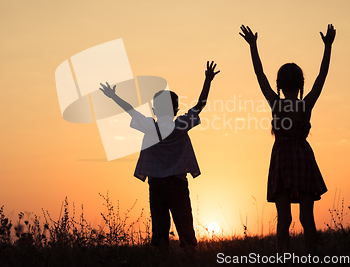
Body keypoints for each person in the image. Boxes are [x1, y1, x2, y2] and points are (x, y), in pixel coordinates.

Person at [99, 61, 219, 261]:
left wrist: (113, 96)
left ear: (154, 110)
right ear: (176, 109)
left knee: (160, 230)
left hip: (157, 186)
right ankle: (190, 258)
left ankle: (163, 261)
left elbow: (130, 110)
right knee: (185, 228)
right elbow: (200, 105)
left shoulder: (149, 127)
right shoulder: (181, 125)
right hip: (178, 184)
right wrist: (207, 80)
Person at [239, 24, 336, 252]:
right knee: (307, 218)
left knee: (284, 219)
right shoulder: (306, 104)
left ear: (279, 85)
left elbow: (259, 74)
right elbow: (323, 75)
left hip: (281, 159)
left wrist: (253, 45)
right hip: (303, 157)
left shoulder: (276, 104)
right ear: (302, 84)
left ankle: (283, 257)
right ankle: (312, 255)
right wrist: (328, 47)